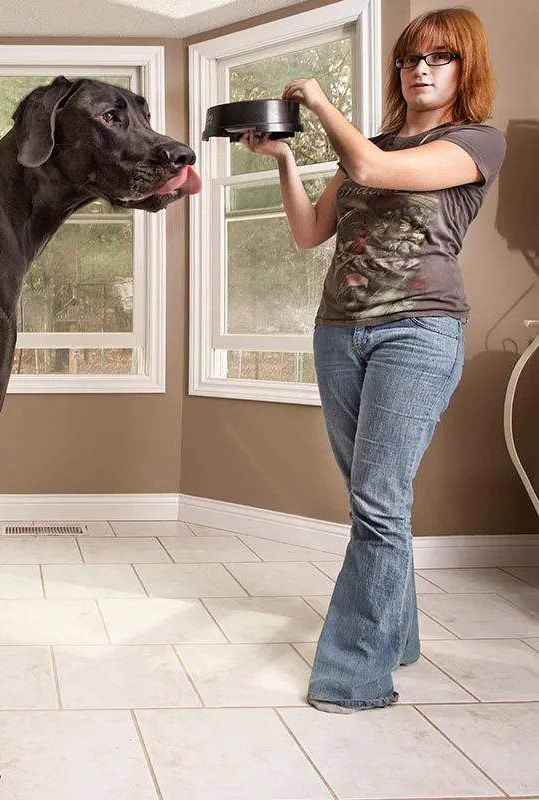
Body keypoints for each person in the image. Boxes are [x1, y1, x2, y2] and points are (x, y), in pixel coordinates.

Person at [240, 6, 507, 712]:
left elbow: (371, 167)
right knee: (374, 504)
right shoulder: (375, 142)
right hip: (339, 332)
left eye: (440, 57)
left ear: (466, 69)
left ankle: (353, 678)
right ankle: (398, 636)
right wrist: (286, 159)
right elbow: (310, 232)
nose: (421, 69)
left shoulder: (476, 141)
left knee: (379, 504)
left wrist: (318, 101)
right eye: (410, 58)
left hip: (418, 332)